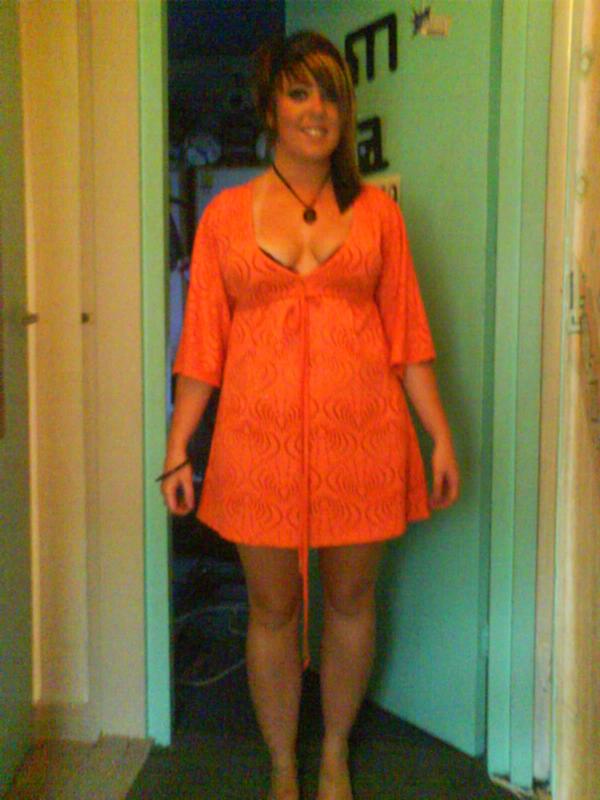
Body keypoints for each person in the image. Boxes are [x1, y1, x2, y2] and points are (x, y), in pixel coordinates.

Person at [160, 30, 459, 800]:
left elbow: (408, 336)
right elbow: (202, 345)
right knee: (272, 607)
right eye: (299, 93)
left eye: (331, 95)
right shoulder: (224, 215)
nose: (317, 109)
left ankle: (331, 752)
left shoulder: (379, 215)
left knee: (351, 601)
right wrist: (178, 446)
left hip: (363, 437)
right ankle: (282, 763)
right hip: (255, 443)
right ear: (270, 109)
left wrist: (439, 435)